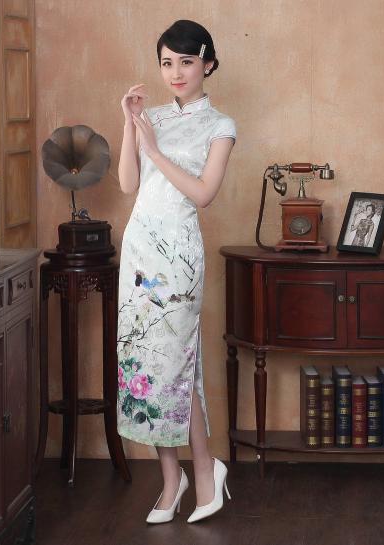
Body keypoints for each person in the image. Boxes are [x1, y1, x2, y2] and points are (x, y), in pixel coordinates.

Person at [116, 19, 236, 524]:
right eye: (167, 63)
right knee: (145, 366)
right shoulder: (152, 118)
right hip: (139, 253)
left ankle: (205, 470)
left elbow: (203, 193)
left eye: (186, 61)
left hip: (179, 257)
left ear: (207, 63)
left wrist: (155, 151)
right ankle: (172, 480)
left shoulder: (220, 126)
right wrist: (131, 124)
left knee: (176, 365)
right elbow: (127, 184)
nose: (176, 72)